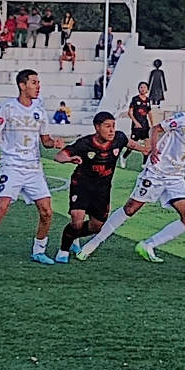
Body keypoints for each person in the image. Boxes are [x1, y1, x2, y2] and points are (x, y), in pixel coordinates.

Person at [76, 94, 185, 262]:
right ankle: (92, 244)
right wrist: (154, 148)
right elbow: (156, 129)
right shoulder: (184, 119)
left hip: (176, 177)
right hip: (156, 171)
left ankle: (148, 245)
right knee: (130, 209)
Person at [0, 70, 66, 267]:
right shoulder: (8, 107)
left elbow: (45, 140)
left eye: (38, 82)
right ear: (22, 86)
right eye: (34, 82)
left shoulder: (40, 111)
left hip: (33, 168)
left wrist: (54, 142)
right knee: (2, 206)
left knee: (47, 211)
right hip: (12, 166)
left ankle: (39, 251)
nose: (38, 86)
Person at [53, 111, 150, 263]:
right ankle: (63, 250)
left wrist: (144, 149)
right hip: (82, 185)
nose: (111, 130)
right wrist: (70, 159)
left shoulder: (119, 138)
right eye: (107, 126)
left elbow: (129, 143)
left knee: (96, 226)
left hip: (102, 190)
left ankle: (73, 236)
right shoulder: (85, 143)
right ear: (97, 127)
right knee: (77, 220)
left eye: (113, 126)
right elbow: (59, 156)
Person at [120, 82, 154, 169]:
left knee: (147, 145)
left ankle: (144, 163)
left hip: (145, 125)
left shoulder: (148, 100)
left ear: (147, 89)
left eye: (144, 87)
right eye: (141, 87)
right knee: (132, 145)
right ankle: (123, 157)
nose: (143, 89)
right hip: (136, 126)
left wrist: (152, 123)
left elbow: (149, 112)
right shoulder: (135, 99)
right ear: (139, 89)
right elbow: (130, 112)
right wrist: (136, 122)